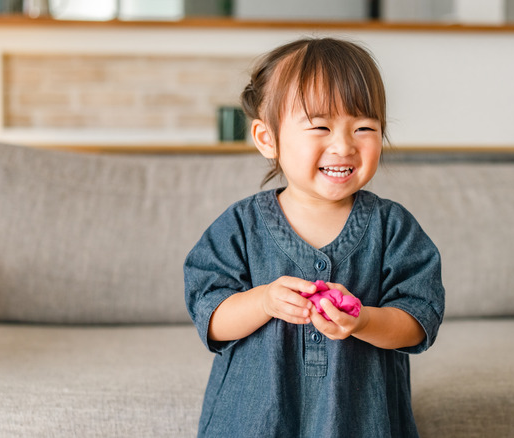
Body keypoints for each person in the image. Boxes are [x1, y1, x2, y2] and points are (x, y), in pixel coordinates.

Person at [184, 37, 445, 437]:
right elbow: (211, 318)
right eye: (320, 126)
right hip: (254, 421)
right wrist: (264, 300)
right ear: (267, 138)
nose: (343, 145)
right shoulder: (240, 225)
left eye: (364, 127)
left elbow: (417, 322)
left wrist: (364, 320)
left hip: (360, 418)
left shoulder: (391, 226)